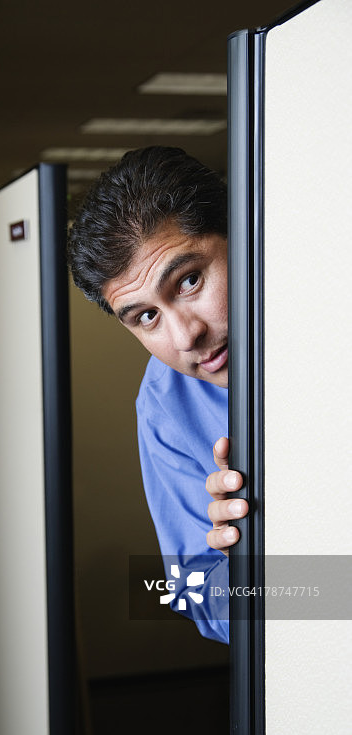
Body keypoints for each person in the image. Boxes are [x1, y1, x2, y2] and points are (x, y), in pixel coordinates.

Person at [68, 145, 248, 644]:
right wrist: (254, 569)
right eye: (146, 317)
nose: (185, 335)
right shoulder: (164, 404)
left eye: (189, 281)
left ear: (245, 235)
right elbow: (191, 588)